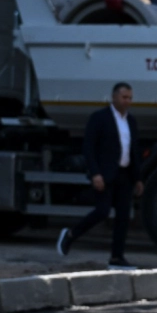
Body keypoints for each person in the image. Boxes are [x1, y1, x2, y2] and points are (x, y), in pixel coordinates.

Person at [57, 81, 142, 268]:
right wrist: (95, 173)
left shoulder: (131, 121)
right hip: (105, 174)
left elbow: (133, 150)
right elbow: (89, 147)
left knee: (123, 216)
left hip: (125, 174)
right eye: (124, 97)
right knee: (102, 211)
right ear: (114, 97)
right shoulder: (99, 118)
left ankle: (116, 257)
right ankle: (71, 234)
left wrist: (137, 178)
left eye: (130, 98)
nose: (127, 101)